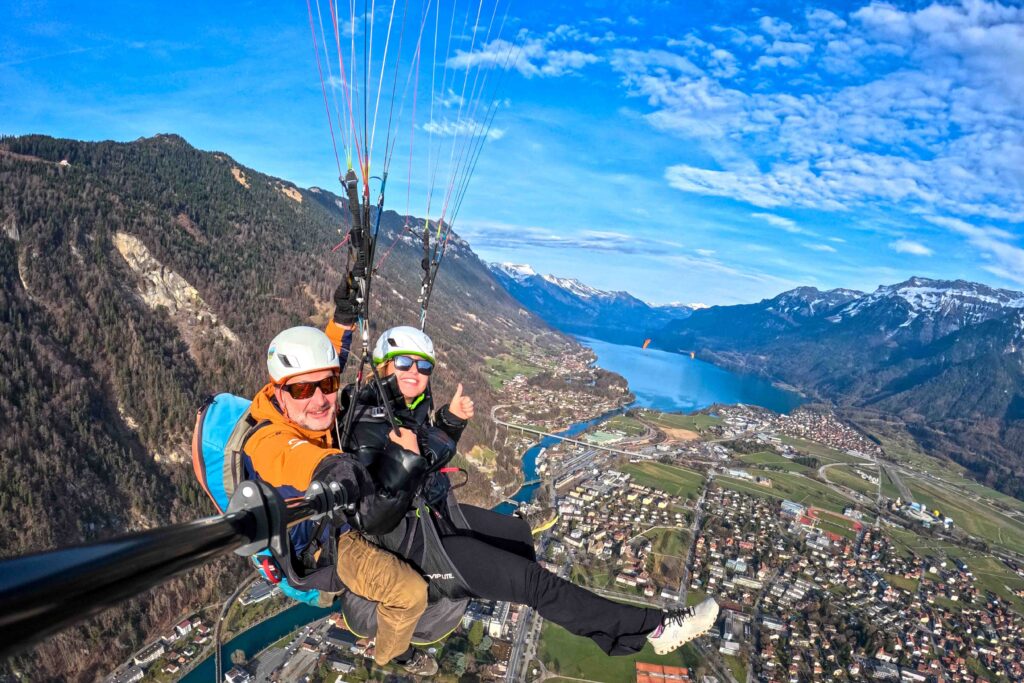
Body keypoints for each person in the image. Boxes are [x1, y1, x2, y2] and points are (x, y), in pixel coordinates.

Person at [346, 324, 721, 658]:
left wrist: (449, 423)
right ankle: (655, 629)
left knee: (519, 535)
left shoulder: (403, 409)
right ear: (382, 367)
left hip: (431, 519)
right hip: (412, 547)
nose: (415, 372)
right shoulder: (367, 426)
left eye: (423, 366)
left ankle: (503, 580)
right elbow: (373, 518)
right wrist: (409, 462)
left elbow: (423, 457)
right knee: (533, 583)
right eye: (404, 363)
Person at [240, 322, 437, 675]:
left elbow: (323, 366)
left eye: (328, 385)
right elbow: (292, 457)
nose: (319, 399)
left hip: (339, 513)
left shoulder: (299, 404)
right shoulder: (265, 441)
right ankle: (394, 654)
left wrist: (342, 321)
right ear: (279, 392)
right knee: (410, 593)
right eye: (303, 389)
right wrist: (333, 468)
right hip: (325, 542)